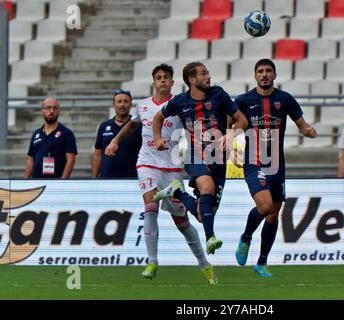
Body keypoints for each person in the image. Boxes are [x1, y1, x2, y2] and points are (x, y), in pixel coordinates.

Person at [105, 64, 218, 284]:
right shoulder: (143, 106)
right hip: (147, 163)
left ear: (173, 82)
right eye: (159, 77)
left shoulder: (180, 104)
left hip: (173, 166)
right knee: (150, 208)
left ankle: (204, 264)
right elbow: (131, 126)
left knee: (182, 222)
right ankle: (152, 261)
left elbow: (193, 131)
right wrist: (114, 141)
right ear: (154, 81)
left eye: (166, 77)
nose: (163, 81)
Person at [152, 61, 248, 255]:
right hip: (192, 152)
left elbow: (242, 120)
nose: (208, 77)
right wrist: (157, 139)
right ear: (192, 79)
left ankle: (177, 192)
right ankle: (210, 237)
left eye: (208, 73)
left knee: (204, 215)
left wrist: (231, 133)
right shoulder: (179, 101)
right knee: (207, 187)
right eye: (203, 74)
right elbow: (157, 118)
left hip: (218, 157)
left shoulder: (218, 94)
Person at [233, 59, 318, 277]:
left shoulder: (285, 99)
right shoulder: (243, 100)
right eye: (260, 71)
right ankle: (245, 237)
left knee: (273, 214)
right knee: (265, 206)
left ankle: (261, 263)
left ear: (274, 75)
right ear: (255, 76)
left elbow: (301, 124)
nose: (264, 75)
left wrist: (308, 130)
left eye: (268, 71)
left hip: (277, 165)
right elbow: (227, 124)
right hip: (253, 162)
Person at [92, 89, 142, 178]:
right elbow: (97, 154)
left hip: (132, 179)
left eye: (126, 101)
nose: (122, 104)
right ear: (114, 104)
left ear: (130, 104)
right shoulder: (104, 126)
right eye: (119, 101)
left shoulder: (138, 126)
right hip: (107, 178)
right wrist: (94, 178)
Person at [24, 98, 77, 179]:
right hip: (37, 183)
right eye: (48, 108)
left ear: (59, 111)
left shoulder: (66, 133)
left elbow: (71, 161)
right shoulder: (36, 134)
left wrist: (62, 182)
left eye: (55, 108)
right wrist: (25, 180)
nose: (51, 111)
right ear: (41, 111)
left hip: (56, 184)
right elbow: (31, 159)